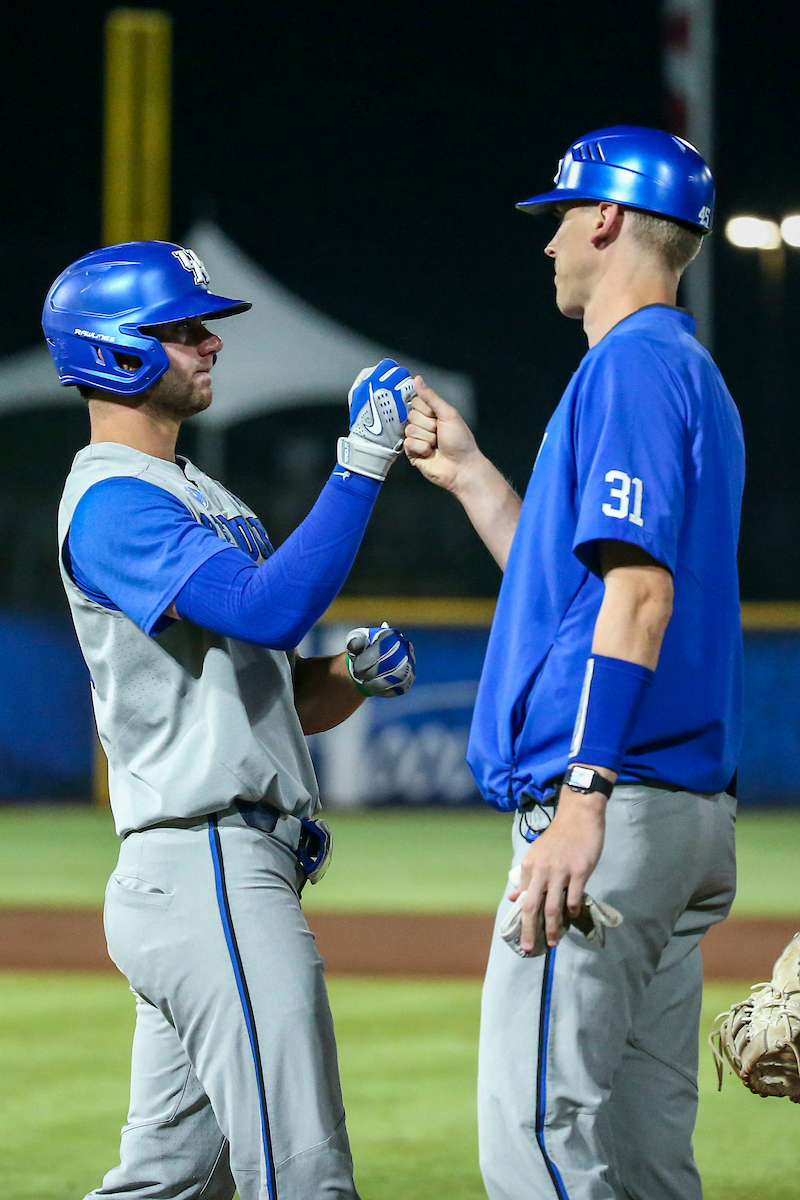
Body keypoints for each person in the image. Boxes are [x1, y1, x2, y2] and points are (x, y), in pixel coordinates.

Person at [404, 126, 744, 1200]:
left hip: (616, 804)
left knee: (538, 1132)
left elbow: (638, 597)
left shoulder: (631, 367)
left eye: (557, 216)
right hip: (682, 812)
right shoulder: (684, 372)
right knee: (645, 1159)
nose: (547, 241)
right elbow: (575, 596)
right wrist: (468, 478)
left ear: (601, 219)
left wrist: (582, 798)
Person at [43, 240, 416, 1200]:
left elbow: (270, 689)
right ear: (116, 350)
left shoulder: (191, 493)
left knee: (166, 1186)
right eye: (181, 329)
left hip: (217, 870)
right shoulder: (113, 500)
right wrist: (361, 465)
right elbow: (264, 608)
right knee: (304, 1179)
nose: (209, 343)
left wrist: (345, 677)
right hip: (205, 867)